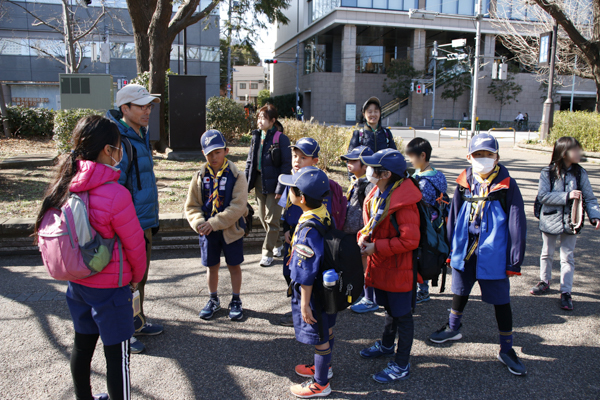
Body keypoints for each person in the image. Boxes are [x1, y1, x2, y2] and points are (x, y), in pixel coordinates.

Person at [34, 116, 147, 400]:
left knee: (82, 348)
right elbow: (135, 246)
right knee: (117, 358)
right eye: (119, 147)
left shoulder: (64, 186)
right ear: (108, 150)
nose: (120, 153)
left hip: (77, 286)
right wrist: (135, 279)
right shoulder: (115, 194)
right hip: (111, 291)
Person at [429, 133, 528, 376]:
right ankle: (453, 328)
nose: (483, 159)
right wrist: (450, 250)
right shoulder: (464, 182)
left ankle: (506, 349)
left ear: (497, 157)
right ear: (469, 157)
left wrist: (514, 260)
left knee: (501, 300)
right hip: (465, 249)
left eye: (488, 154)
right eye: (478, 155)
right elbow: (452, 216)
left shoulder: (507, 185)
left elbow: (517, 222)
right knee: (459, 290)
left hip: (493, 252)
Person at [106, 83, 163, 354]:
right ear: (124, 108)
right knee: (126, 280)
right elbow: (115, 189)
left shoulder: (139, 134)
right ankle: (123, 333)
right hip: (128, 226)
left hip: (144, 222)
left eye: (149, 105)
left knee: (140, 278)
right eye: (141, 106)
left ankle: (136, 322)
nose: (147, 110)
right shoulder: (119, 140)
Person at [357, 149, 421, 383]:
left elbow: (410, 240)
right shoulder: (379, 191)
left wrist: (377, 247)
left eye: (373, 167)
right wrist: (363, 239)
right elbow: (370, 226)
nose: (368, 170)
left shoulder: (404, 202)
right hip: (384, 264)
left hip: (399, 268)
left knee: (402, 316)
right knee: (391, 310)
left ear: (385, 174)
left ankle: (402, 363)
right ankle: (386, 345)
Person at [278, 166, 335, 398]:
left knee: (318, 335)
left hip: (314, 293)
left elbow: (306, 272)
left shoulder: (307, 229)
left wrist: (304, 303)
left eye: (292, 188)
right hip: (328, 287)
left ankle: (320, 383)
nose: (289, 190)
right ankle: (325, 368)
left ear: (301, 198)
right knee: (327, 329)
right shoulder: (322, 211)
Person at [185, 130, 249, 320]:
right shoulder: (199, 176)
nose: (214, 157)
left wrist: (215, 223)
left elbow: (238, 206)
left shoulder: (238, 176)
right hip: (207, 231)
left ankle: (236, 299)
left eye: (218, 152)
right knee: (211, 266)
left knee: (234, 265)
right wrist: (199, 223)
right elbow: (192, 206)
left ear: (226, 150)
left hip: (231, 230)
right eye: (209, 153)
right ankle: (213, 299)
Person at [531, 137, 600, 310]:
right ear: (563, 152)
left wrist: (595, 216)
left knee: (567, 257)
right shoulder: (547, 172)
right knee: (547, 253)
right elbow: (543, 196)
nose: (579, 153)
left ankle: (566, 291)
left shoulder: (580, 173)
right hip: (550, 218)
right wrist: (567, 196)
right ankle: (544, 281)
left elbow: (590, 198)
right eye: (575, 150)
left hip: (572, 221)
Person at [278, 137, 327, 326]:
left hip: (306, 236)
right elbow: (286, 207)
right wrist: (285, 230)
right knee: (288, 271)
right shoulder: (292, 177)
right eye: (294, 155)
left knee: (304, 273)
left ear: (314, 161)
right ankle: (297, 305)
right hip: (292, 234)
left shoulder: (316, 183)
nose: (297, 161)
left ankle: (304, 308)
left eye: (303, 157)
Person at [245, 104, 292, 267]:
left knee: (272, 219)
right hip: (259, 181)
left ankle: (267, 252)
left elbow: (286, 165)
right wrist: (245, 184)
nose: (260, 121)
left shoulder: (281, 139)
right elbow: (250, 161)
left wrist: (281, 187)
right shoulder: (256, 137)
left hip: (275, 184)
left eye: (263, 118)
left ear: (272, 121)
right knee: (263, 217)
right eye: (258, 117)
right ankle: (278, 244)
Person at [405, 137, 448, 304]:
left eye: (412, 157)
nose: (410, 160)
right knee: (428, 251)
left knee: (421, 254)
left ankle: (423, 290)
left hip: (425, 222)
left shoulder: (423, 181)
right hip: (437, 221)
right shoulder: (438, 174)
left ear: (422, 155)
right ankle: (422, 288)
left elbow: (419, 202)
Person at [340, 146, 379, 314]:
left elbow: (373, 212)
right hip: (355, 233)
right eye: (348, 160)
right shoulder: (356, 182)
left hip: (364, 234)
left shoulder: (370, 186)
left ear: (365, 166)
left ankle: (370, 299)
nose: (348, 163)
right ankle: (362, 294)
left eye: (353, 161)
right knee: (358, 267)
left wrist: (367, 234)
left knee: (366, 267)